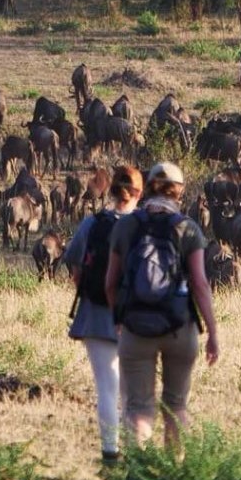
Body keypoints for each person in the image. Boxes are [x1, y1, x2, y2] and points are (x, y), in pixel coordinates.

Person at [103, 162, 219, 447]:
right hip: (180, 327)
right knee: (176, 406)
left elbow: (110, 282)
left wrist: (119, 317)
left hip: (136, 326)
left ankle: (139, 472)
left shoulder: (127, 225)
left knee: (138, 409)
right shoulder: (188, 228)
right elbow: (201, 285)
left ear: (149, 187)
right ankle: (175, 474)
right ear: (179, 192)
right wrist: (213, 333)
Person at [61, 165, 143, 463]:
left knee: (107, 388)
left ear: (110, 191)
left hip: (96, 315)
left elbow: (74, 265)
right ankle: (138, 458)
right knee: (133, 392)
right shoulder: (146, 227)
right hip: (137, 320)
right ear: (139, 193)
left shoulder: (93, 224)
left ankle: (111, 454)